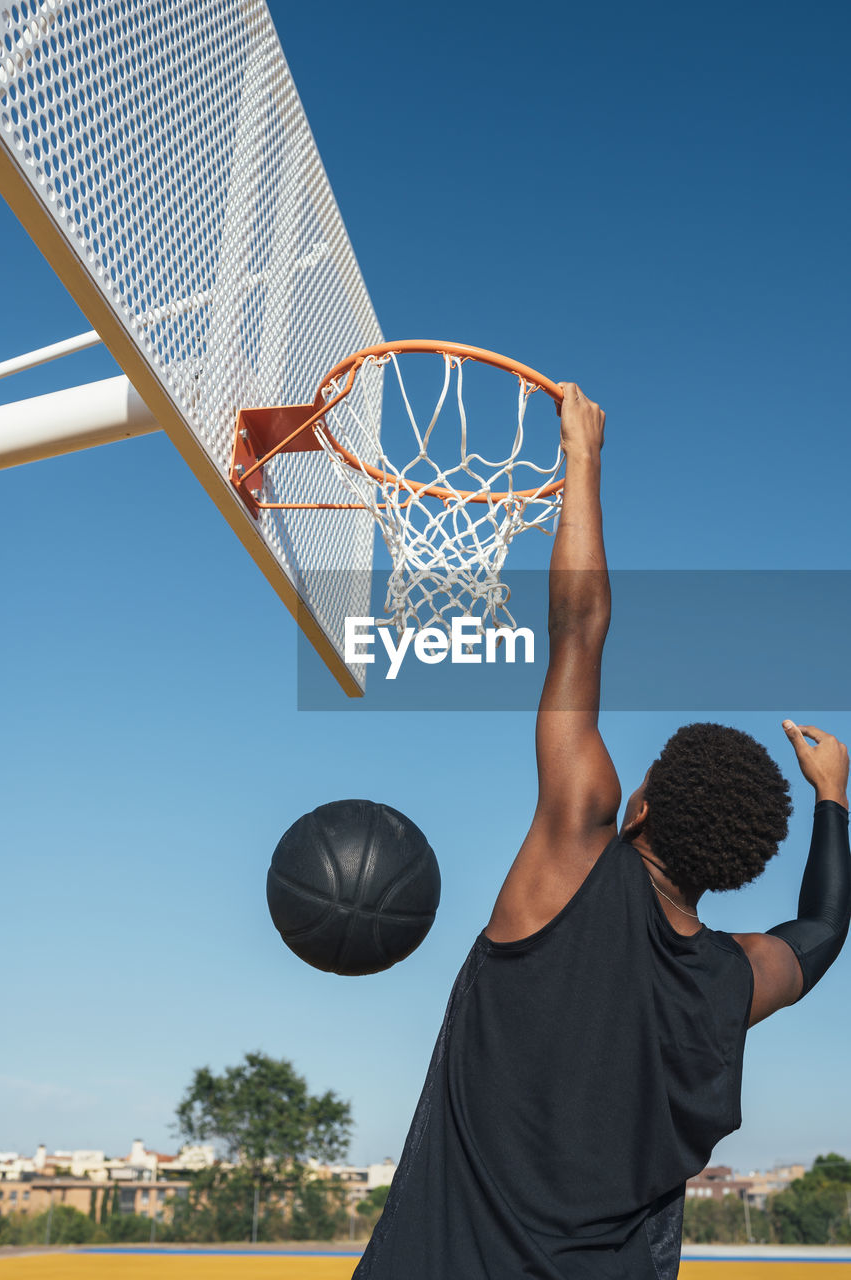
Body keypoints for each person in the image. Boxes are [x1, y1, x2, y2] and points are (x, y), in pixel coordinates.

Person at [353, 383, 851, 1280]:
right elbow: (820, 932)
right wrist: (834, 801)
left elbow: (579, 629)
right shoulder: (736, 981)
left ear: (642, 807)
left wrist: (581, 457)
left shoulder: (574, 858)